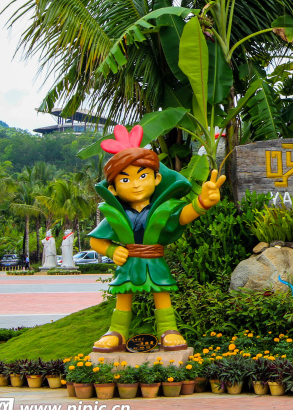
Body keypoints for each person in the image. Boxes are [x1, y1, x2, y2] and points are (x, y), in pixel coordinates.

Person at [88, 124, 224, 352]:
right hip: (130, 262)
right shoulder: (117, 214)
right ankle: (117, 332)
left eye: (143, 176)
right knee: (124, 294)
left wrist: (202, 203)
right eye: (125, 180)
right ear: (112, 189)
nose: (136, 184)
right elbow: (96, 241)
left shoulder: (161, 208)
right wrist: (112, 251)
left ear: (157, 178)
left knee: (161, 291)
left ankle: (168, 330)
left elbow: (181, 216)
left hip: (154, 260)